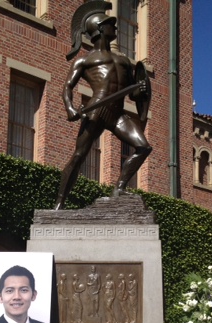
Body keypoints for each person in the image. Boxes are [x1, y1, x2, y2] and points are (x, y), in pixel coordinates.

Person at [54, 1, 152, 209]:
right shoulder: (85, 60)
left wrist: (141, 90)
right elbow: (67, 87)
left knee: (143, 147)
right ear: (99, 29)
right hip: (97, 109)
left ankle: (120, 188)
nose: (115, 27)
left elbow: (132, 93)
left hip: (118, 113)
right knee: (79, 156)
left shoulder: (124, 61)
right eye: (110, 24)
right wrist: (70, 107)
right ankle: (59, 204)